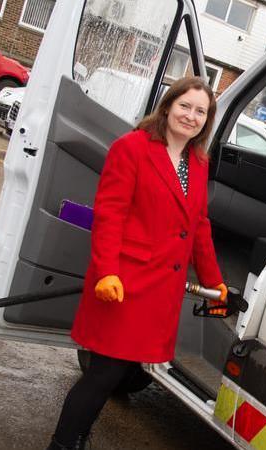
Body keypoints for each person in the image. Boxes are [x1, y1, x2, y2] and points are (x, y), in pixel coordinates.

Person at [47, 76, 227, 450]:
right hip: (124, 284)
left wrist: (215, 281)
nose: (191, 116)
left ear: (206, 121)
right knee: (104, 374)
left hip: (159, 291)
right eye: (185, 106)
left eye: (200, 111)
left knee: (114, 373)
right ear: (167, 106)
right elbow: (110, 215)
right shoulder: (132, 148)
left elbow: (198, 225)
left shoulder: (197, 161)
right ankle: (64, 443)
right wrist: (108, 271)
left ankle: (76, 437)